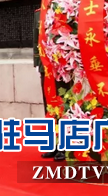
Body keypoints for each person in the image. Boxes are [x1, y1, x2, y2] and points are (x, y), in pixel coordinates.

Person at [33, 8, 67, 161]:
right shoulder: (38, 13)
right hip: (45, 67)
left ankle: (65, 146)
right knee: (49, 106)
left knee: (64, 105)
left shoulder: (66, 8)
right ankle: (52, 143)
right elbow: (36, 39)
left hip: (63, 67)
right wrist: (36, 62)